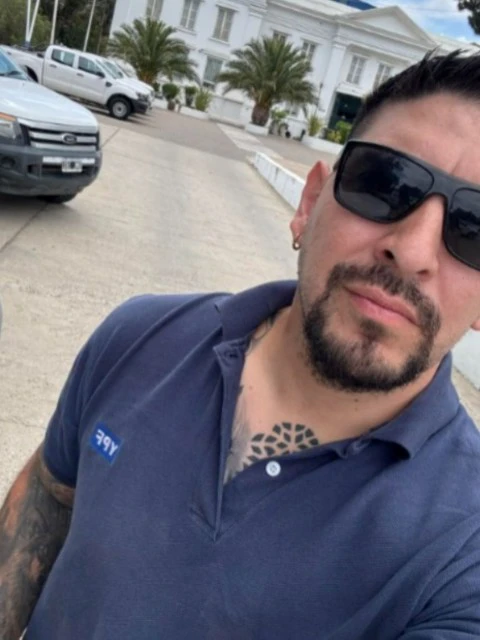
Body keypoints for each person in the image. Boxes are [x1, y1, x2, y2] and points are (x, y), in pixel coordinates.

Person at [2, 50, 480, 640]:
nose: (410, 251)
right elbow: (47, 503)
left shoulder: (464, 551)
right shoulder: (139, 336)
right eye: (386, 182)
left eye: (474, 229)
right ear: (310, 204)